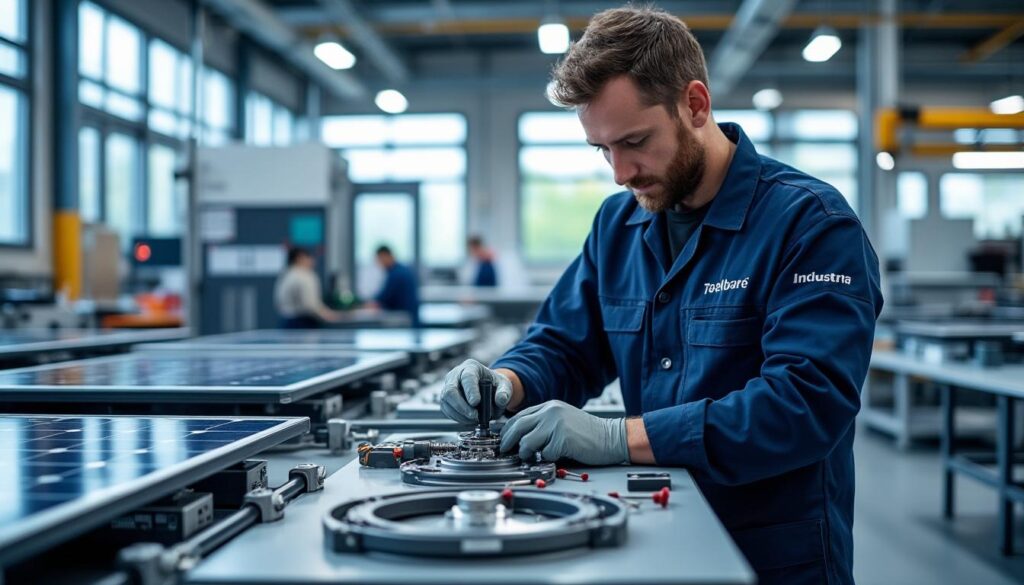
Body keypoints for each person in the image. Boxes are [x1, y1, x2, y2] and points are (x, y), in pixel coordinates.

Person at [439, 7, 881, 585]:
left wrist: (615, 437)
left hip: (770, 554)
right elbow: (567, 345)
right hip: (652, 533)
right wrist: (508, 382)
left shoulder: (811, 225)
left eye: (635, 141)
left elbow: (804, 404)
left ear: (695, 105)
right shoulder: (617, 225)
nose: (620, 172)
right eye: (602, 149)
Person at [273, 247, 340, 328]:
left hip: (286, 321)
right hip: (303, 322)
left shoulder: (286, 274)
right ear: (299, 258)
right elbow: (310, 304)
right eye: (309, 257)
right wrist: (328, 315)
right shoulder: (304, 275)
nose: (312, 260)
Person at [367, 245, 420, 327]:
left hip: (404, 320)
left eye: (379, 259)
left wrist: (367, 304)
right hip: (410, 319)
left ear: (386, 256)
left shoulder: (396, 274)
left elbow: (383, 298)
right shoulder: (402, 270)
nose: (379, 263)